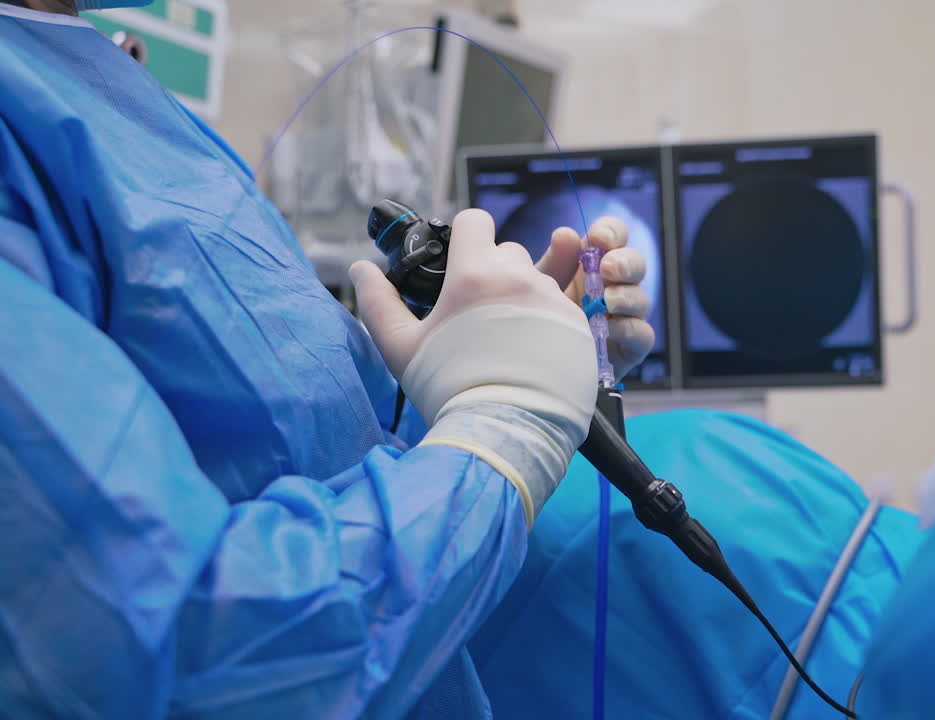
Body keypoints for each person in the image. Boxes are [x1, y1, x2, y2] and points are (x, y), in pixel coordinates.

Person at [0, 0, 656, 716]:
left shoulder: (87, 73)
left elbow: (311, 447)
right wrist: (503, 426)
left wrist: (501, 360)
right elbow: (147, 650)